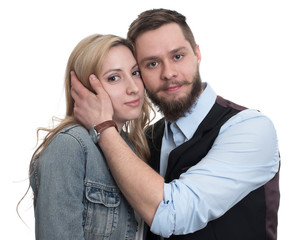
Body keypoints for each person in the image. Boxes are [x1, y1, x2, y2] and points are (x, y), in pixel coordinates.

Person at [71, 9, 280, 240]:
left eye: (177, 56)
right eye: (152, 64)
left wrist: (103, 126)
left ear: (197, 54)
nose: (168, 73)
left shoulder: (250, 128)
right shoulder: (144, 140)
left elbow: (174, 213)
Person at [28, 34, 154, 240]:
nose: (133, 88)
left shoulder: (132, 149)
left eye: (135, 72)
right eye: (114, 78)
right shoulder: (70, 146)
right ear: (85, 90)